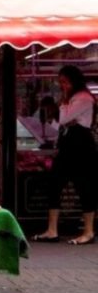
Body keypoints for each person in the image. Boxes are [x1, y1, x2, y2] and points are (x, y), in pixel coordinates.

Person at [32, 65, 97, 245]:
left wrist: (63, 107)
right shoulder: (70, 99)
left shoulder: (83, 98)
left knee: (84, 186)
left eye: (65, 82)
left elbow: (64, 119)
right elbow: (60, 124)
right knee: (54, 183)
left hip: (82, 145)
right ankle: (52, 230)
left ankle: (89, 231)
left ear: (74, 81)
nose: (62, 86)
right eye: (60, 82)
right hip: (68, 145)